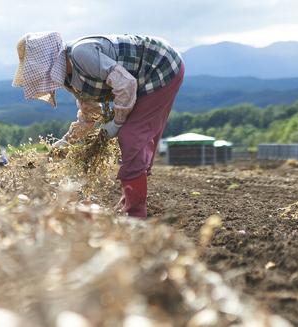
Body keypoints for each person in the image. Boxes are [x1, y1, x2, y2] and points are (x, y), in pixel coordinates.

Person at [12, 32, 184, 218]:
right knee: (136, 139)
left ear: (46, 63)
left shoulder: (81, 54)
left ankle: (135, 215)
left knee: (130, 137)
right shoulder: (69, 79)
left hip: (161, 67)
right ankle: (130, 200)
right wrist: (67, 141)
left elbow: (126, 84)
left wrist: (117, 122)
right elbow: (89, 114)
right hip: (140, 80)